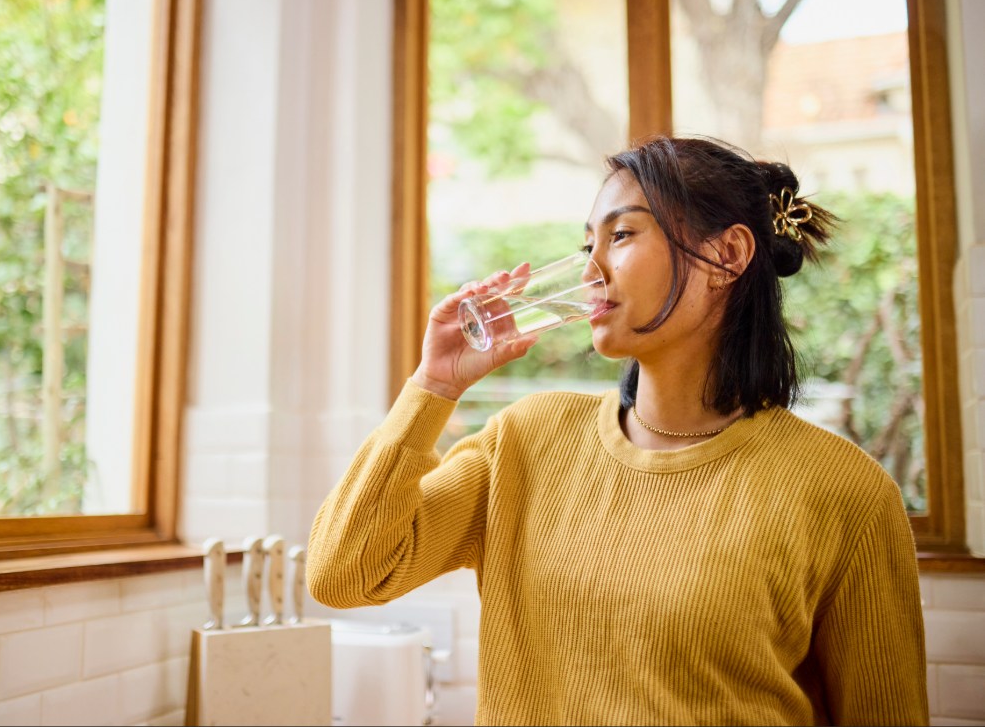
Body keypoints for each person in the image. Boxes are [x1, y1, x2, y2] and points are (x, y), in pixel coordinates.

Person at [306, 136, 928, 725]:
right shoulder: (525, 442)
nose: (590, 271)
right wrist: (433, 387)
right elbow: (345, 573)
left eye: (621, 234)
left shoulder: (845, 492)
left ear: (726, 255)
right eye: (586, 247)